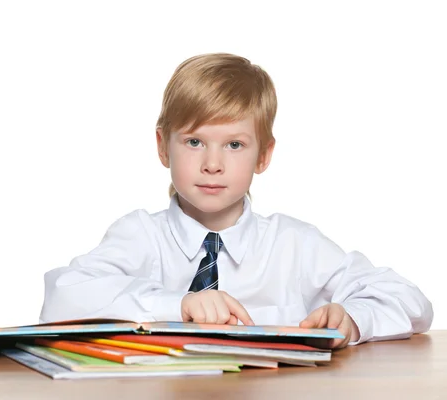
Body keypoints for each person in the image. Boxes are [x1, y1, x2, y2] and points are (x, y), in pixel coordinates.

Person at [39, 53, 433, 348]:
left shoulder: (293, 244)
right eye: (194, 142)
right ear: (163, 148)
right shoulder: (140, 234)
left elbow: (413, 303)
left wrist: (354, 318)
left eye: (234, 145)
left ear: (263, 155)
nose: (213, 164)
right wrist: (178, 305)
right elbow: (62, 298)